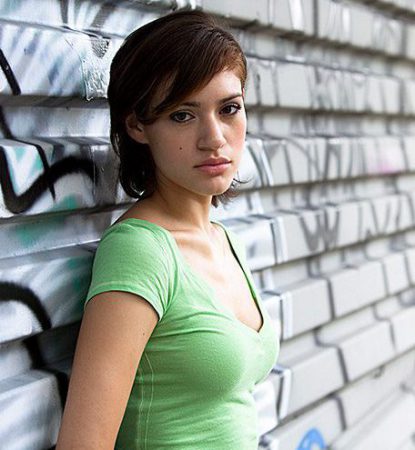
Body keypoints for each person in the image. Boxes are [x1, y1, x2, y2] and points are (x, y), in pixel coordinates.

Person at [56, 9, 279, 450]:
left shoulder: (221, 239)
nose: (214, 137)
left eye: (229, 108)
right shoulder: (141, 252)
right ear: (138, 125)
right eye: (182, 115)